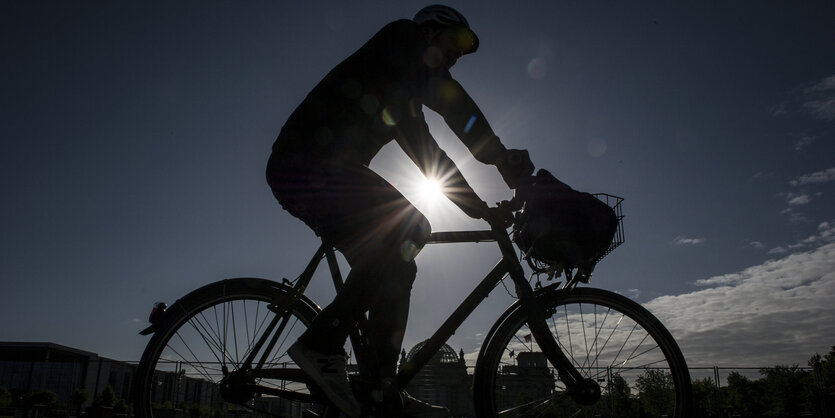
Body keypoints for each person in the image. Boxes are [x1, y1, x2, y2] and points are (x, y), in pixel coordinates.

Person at [266, 5, 533, 417]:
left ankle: (380, 390)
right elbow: (451, 99)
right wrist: (499, 156)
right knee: (412, 226)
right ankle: (321, 345)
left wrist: (479, 209)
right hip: (309, 165)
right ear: (430, 29)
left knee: (397, 268)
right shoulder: (401, 37)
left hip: (316, 173)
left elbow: (430, 158)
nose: (457, 56)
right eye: (457, 42)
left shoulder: (399, 96)